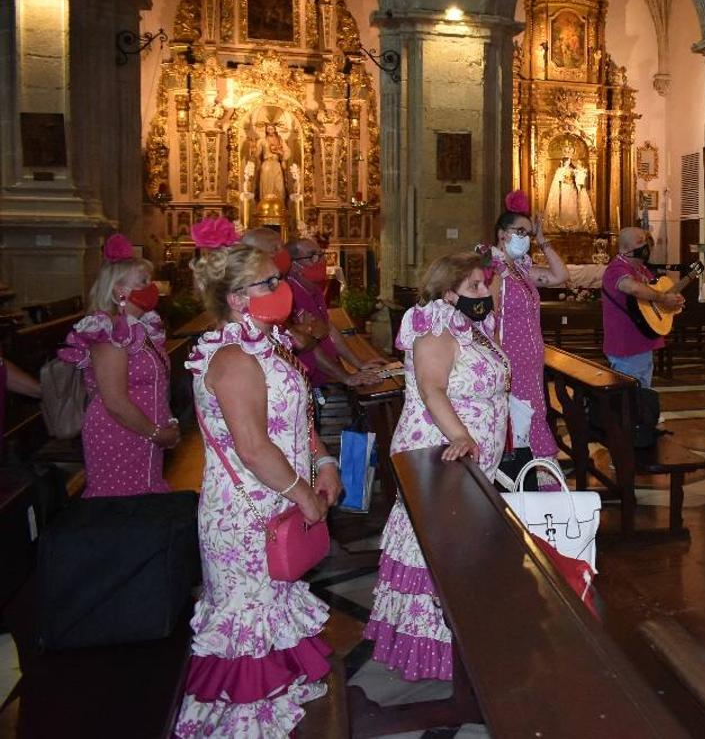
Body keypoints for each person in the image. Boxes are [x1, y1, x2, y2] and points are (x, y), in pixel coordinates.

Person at [175, 217, 341, 737]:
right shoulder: (231, 358)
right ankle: (246, 718)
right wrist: (303, 495)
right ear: (237, 297)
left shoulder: (268, 345)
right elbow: (252, 445)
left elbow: (295, 419)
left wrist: (324, 462)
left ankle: (280, 689)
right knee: (249, 613)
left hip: (279, 496)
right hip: (245, 512)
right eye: (269, 282)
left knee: (278, 598)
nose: (282, 289)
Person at [365, 251, 510, 681]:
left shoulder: (473, 327)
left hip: (471, 455)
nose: (486, 293)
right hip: (440, 451)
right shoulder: (435, 330)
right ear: (448, 294)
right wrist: (462, 436)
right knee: (434, 547)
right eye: (475, 287)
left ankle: (459, 636)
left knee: (460, 545)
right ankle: (427, 649)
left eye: (485, 284)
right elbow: (432, 390)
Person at [58, 234, 179, 497]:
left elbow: (158, 382)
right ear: (119, 291)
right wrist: (157, 433)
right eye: (143, 282)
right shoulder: (108, 331)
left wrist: (167, 422)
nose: (151, 287)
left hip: (145, 431)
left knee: (144, 503)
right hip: (120, 433)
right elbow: (114, 402)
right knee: (120, 507)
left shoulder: (143, 328)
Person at [486, 190, 568, 486]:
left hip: (531, 362)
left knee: (533, 415)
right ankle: (525, 483)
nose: (525, 237)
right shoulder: (495, 270)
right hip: (512, 361)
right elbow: (490, 319)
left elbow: (560, 276)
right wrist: (500, 365)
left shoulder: (519, 270)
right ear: (501, 234)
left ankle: (534, 482)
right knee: (523, 420)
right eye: (519, 231)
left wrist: (544, 241)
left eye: (528, 233)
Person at [284, 237, 384, 386]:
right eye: (312, 256)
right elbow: (311, 346)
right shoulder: (290, 294)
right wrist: (346, 378)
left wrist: (359, 364)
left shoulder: (314, 289)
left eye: (321, 254)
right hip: (308, 381)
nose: (321, 261)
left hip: (325, 376)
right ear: (294, 266)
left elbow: (328, 328)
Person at [601, 227, 682, 388]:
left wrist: (673, 303)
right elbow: (634, 288)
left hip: (642, 341)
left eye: (645, 241)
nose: (645, 246)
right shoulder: (616, 268)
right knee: (630, 396)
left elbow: (654, 297)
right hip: (626, 344)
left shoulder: (642, 270)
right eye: (639, 242)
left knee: (642, 393)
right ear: (625, 247)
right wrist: (664, 298)